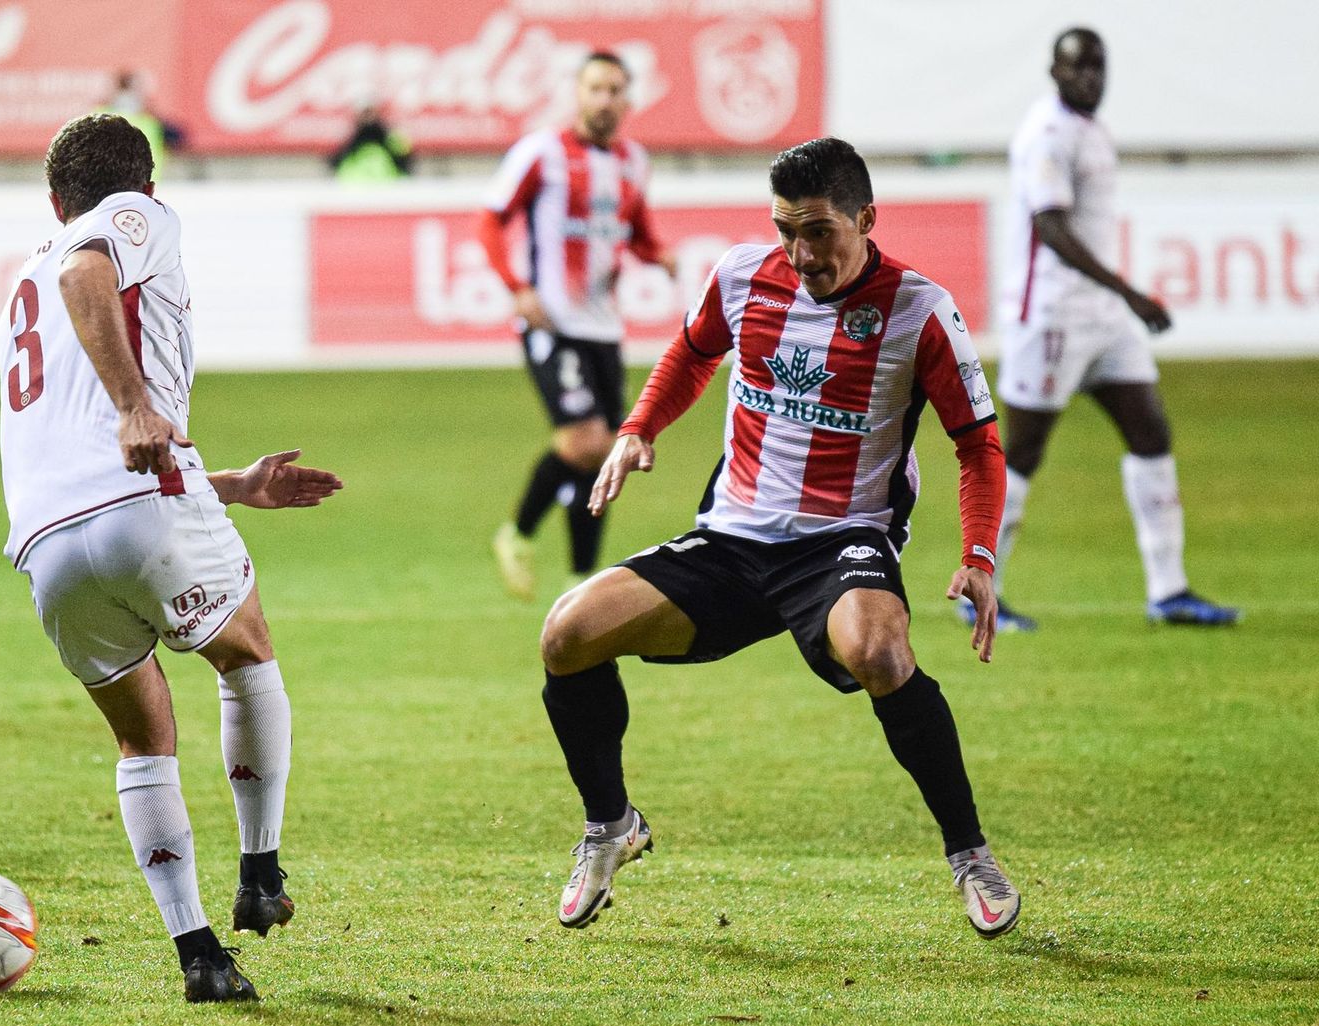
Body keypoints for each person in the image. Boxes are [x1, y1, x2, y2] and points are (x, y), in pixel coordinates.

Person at [538, 138, 1022, 940]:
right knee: (567, 633)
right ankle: (610, 825)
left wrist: (977, 554)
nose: (801, 253)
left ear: (866, 219)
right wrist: (639, 427)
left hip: (841, 545)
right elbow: (691, 354)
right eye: (786, 230)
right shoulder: (741, 276)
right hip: (731, 540)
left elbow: (978, 444)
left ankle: (970, 854)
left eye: (821, 232)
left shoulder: (920, 309)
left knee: (879, 653)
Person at [0, 114, 342, 1002]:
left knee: (141, 738)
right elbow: (91, 271)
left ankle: (199, 955)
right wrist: (135, 407)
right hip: (138, 499)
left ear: (51, 198)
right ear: (146, 187)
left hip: (46, 542)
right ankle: (261, 872)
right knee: (247, 652)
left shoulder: (22, 282)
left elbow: (69, 434)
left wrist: (224, 482)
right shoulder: (130, 223)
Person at [981, 27, 1239, 631]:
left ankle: (1169, 591)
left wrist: (1117, 302)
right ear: (1055, 73)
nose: (1092, 79)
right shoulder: (1045, 135)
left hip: (1102, 319)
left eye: (1099, 67)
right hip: (1052, 317)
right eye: (1080, 68)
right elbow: (1051, 228)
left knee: (1150, 431)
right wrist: (1130, 292)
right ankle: (979, 589)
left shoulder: (1091, 130)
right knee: (1021, 453)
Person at [482, 51, 677, 601]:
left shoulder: (633, 162)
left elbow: (635, 229)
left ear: (628, 100)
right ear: (578, 93)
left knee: (601, 455)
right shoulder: (541, 153)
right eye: (595, 88)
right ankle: (516, 533)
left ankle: (579, 579)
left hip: (604, 329)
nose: (605, 99)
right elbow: (491, 217)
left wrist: (656, 254)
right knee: (587, 440)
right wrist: (517, 287)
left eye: (615, 89)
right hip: (554, 323)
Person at [98, 71, 183, 179]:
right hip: (112, 183)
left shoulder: (150, 120)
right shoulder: (99, 116)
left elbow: (178, 136)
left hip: (146, 182)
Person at [327, 104, 414, 183]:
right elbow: (335, 164)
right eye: (365, 113)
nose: (368, 118)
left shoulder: (389, 137)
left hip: (387, 188)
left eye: (370, 112)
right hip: (355, 190)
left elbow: (405, 160)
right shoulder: (349, 141)